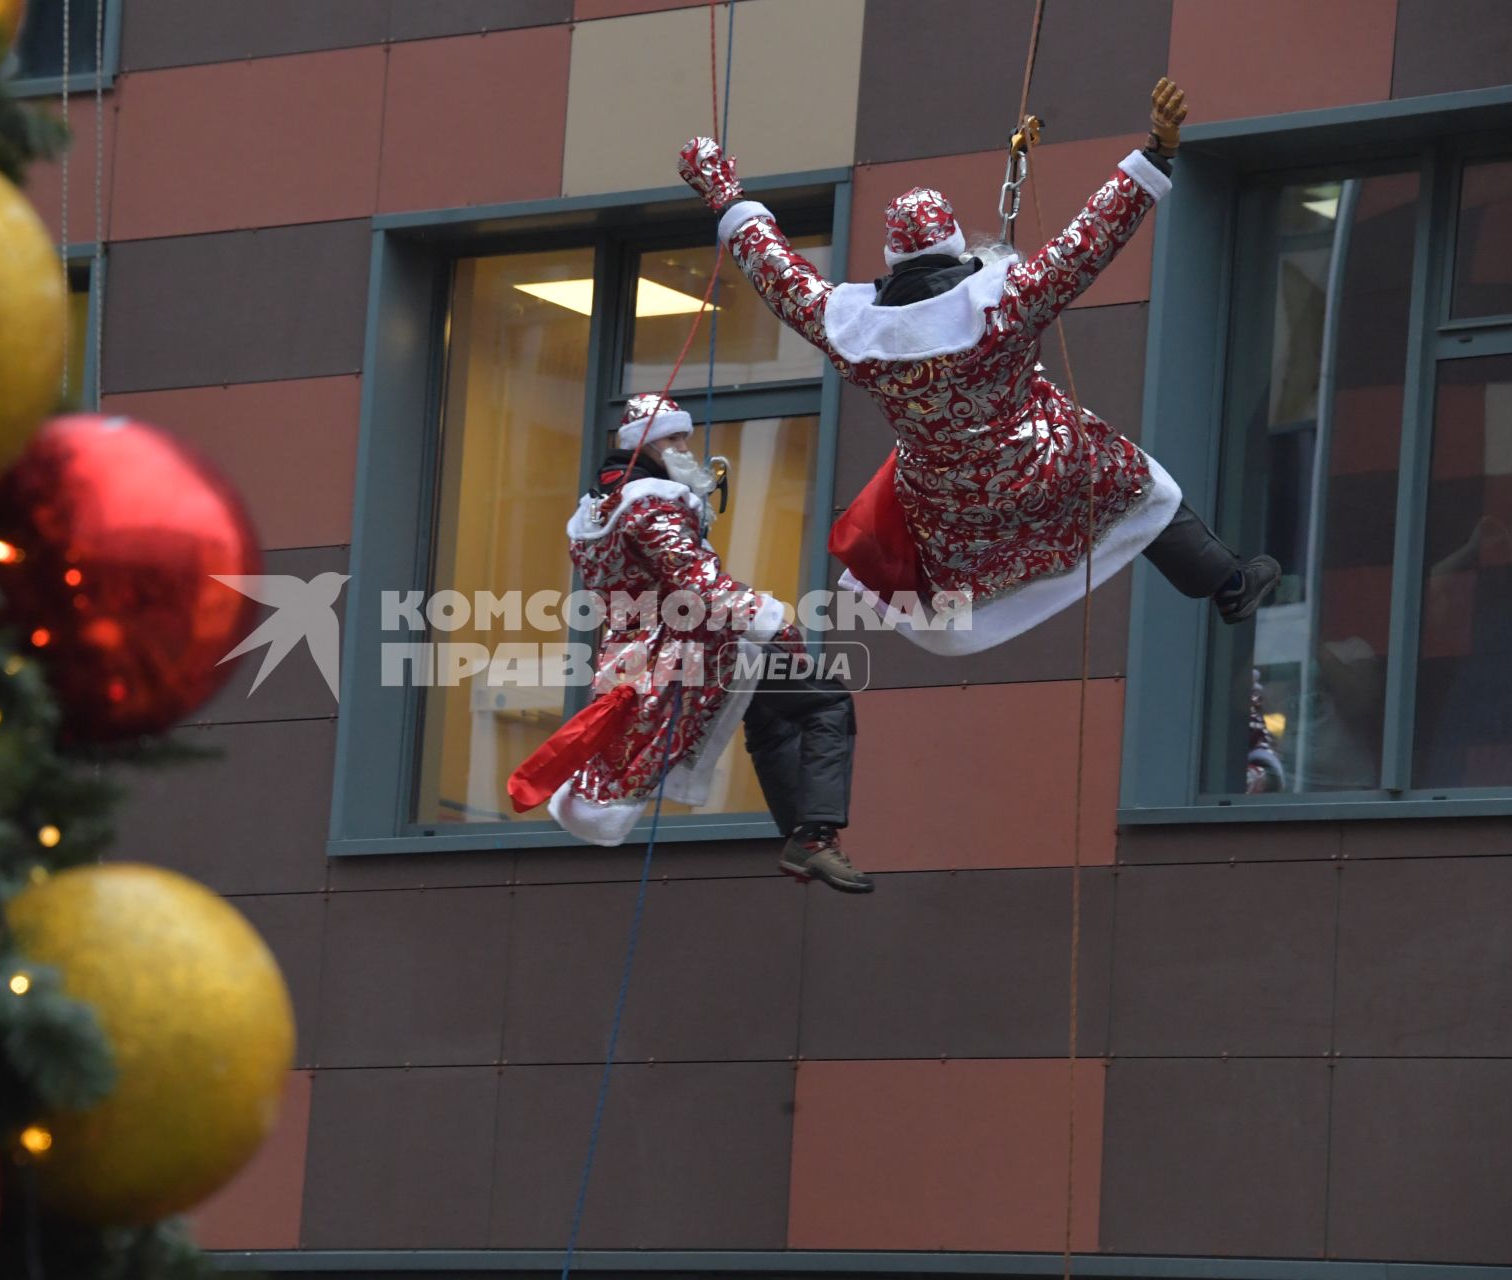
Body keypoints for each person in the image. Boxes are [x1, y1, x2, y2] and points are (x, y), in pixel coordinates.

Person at [675, 77, 1278, 655]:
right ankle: (1228, 584)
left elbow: (775, 270)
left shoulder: (849, 332)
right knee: (1137, 482)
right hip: (1050, 471)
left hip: (949, 511)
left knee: (913, 491)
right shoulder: (1007, 301)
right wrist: (1156, 155)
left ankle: (962, 617)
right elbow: (1088, 240)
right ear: (956, 247)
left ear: (892, 259)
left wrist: (724, 195)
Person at [508, 394, 872, 893]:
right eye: (675, 438)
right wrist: (776, 625)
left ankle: (805, 840)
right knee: (826, 701)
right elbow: (698, 586)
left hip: (645, 653)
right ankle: (812, 837)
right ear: (648, 445)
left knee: (772, 718)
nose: (685, 446)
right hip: (694, 650)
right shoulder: (652, 503)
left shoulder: (598, 511)